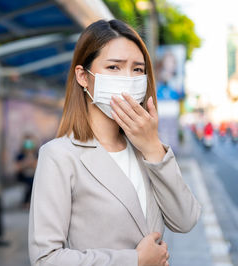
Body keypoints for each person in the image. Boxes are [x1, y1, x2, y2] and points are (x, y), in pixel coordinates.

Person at [29, 19, 201, 266]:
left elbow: (185, 220)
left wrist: (152, 146)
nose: (128, 79)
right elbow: (45, 258)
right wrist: (134, 261)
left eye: (138, 69)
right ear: (83, 77)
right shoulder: (59, 155)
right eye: (113, 67)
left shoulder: (146, 150)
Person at [15, 134, 38, 208]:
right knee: (30, 183)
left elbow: (38, 166)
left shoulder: (36, 154)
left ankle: (30, 202)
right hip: (24, 177)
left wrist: (32, 160)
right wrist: (26, 162)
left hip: (34, 176)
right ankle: (26, 202)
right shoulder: (20, 155)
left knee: (33, 181)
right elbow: (17, 168)